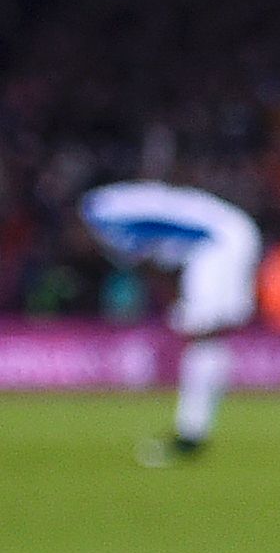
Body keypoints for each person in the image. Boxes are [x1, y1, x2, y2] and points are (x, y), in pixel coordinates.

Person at [81, 180, 259, 464]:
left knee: (201, 334)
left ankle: (191, 434)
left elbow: (146, 263)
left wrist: (175, 303)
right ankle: (193, 431)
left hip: (216, 243)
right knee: (209, 336)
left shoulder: (105, 220)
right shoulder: (115, 203)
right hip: (230, 234)